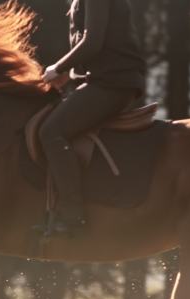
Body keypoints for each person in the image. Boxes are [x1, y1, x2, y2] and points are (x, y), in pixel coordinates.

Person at [40, 0, 146, 235]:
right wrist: (68, 72)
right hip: (106, 80)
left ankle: (72, 215)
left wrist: (58, 67)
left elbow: (93, 42)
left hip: (113, 83)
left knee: (51, 132)